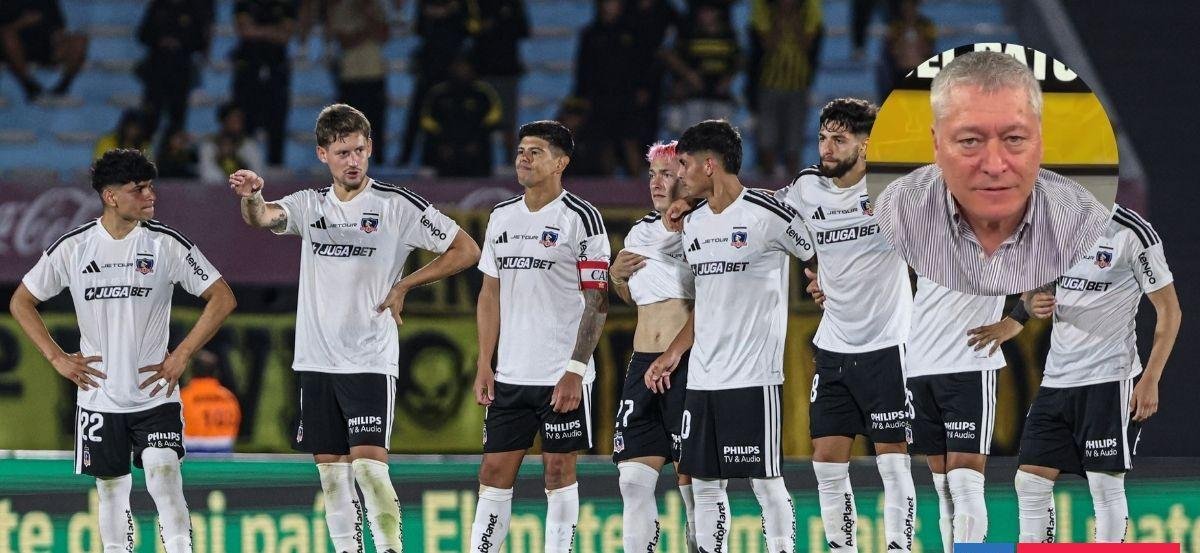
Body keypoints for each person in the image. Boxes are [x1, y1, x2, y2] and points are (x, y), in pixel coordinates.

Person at [228, 103, 481, 553]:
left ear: (371, 149)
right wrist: (251, 196)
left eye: (360, 150)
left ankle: (389, 549)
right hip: (316, 360)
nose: (353, 161)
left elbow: (466, 250)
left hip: (368, 359)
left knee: (369, 468)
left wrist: (405, 284)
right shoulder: (309, 204)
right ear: (322, 153)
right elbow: (262, 217)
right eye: (343, 152)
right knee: (332, 475)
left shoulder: (395, 205)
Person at [9, 149, 236, 553]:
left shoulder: (165, 244)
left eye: (150, 187)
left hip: (154, 393)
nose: (151, 195)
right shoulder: (74, 247)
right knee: (112, 491)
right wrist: (57, 357)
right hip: (99, 396)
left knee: (163, 474)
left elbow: (222, 297)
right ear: (110, 197)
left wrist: (182, 354)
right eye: (139, 189)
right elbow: (21, 301)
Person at [647, 120, 814, 553]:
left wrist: (822, 281)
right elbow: (708, 300)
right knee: (703, 482)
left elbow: (817, 252)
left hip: (753, 377)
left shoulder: (766, 213)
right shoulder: (694, 224)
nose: (679, 174)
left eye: (684, 164)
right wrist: (674, 352)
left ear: (709, 165)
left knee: (765, 481)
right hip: (702, 378)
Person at [971, 205, 1181, 543]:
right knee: (1030, 479)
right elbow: (1038, 288)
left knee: (1104, 484)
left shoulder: (1132, 232)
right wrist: (1027, 309)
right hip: (1057, 379)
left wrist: (1151, 379)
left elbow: (1169, 310)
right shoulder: (1054, 226)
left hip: (1109, 378)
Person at [775, 99, 917, 552]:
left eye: (839, 139)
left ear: (866, 145)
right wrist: (817, 272)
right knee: (826, 460)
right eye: (822, 138)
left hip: (887, 344)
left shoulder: (892, 191)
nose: (827, 148)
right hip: (834, 346)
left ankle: (898, 546)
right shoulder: (807, 187)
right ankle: (841, 546)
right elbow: (764, 217)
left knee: (892, 460)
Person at [469, 121, 610, 553]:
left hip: (560, 374)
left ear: (561, 162)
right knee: (493, 472)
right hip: (511, 374)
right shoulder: (501, 216)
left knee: (558, 471)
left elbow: (598, 302)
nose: (524, 159)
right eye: (521, 151)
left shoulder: (581, 218)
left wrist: (574, 371)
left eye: (536, 152)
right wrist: (484, 363)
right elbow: (489, 293)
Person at [875, 50, 1111, 296]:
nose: (995, 166)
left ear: (1040, 141)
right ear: (936, 144)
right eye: (970, 141)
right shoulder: (897, 209)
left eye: (1014, 139)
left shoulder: (1085, 221)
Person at [608, 141, 697, 551]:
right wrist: (617, 278)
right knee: (631, 480)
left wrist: (673, 353)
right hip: (643, 364)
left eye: (666, 174)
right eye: (651, 175)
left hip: (686, 363)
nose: (656, 183)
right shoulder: (639, 231)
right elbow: (637, 295)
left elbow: (715, 300)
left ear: (687, 175)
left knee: (692, 481)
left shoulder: (705, 227)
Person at [904, 278, 1006, 550]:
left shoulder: (997, 246)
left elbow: (1038, 264)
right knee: (943, 484)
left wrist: (1014, 321)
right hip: (920, 363)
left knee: (964, 479)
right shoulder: (923, 248)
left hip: (969, 362)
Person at [136, 0, 215, 144]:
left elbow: (200, 41)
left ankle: (172, 154)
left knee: (176, 120)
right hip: (157, 70)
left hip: (180, 72)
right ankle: (144, 151)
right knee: (150, 117)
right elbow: (142, 35)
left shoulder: (193, 8)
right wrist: (160, 40)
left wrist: (180, 42)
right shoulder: (158, 6)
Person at [231, 0, 296, 166]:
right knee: (246, 121)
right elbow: (244, 31)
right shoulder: (245, 3)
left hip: (276, 69)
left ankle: (275, 167)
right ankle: (244, 167)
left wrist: (257, 30)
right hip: (248, 69)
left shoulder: (285, 5)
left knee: (276, 121)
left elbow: (285, 36)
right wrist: (272, 31)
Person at [325, 0, 389, 162]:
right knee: (348, 127)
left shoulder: (376, 8)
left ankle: (379, 164)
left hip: (374, 74)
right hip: (350, 77)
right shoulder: (340, 9)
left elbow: (384, 35)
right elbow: (345, 42)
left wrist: (368, 18)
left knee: (376, 127)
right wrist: (368, 32)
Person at [419, 55, 503, 177]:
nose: (461, 70)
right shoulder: (439, 93)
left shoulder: (483, 92)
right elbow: (427, 120)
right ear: (451, 68)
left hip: (476, 147)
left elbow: (494, 117)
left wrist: (477, 139)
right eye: (458, 67)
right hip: (446, 148)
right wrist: (443, 141)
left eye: (464, 67)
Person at [469, 0, 529, 159]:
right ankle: (482, 161)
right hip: (482, 71)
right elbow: (468, 29)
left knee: (508, 123)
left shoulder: (514, 4)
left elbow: (524, 30)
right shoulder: (476, 4)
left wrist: (498, 22)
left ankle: (510, 161)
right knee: (480, 122)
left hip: (506, 71)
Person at [0, 0, 88, 101]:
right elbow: (3, 30)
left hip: (44, 44)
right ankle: (29, 85)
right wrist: (23, 22)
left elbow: (58, 27)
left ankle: (63, 85)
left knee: (80, 40)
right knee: (8, 38)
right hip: (15, 48)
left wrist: (59, 40)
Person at [180, 350, 242, 454]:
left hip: (192, 453)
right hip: (224, 451)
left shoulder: (184, 397)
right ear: (215, 372)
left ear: (192, 370)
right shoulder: (229, 397)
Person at [199, 103, 265, 182]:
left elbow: (257, 175)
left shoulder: (250, 146)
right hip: (217, 188)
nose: (237, 124)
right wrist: (221, 159)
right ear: (223, 121)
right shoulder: (209, 146)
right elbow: (208, 176)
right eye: (233, 120)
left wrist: (235, 158)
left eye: (239, 120)